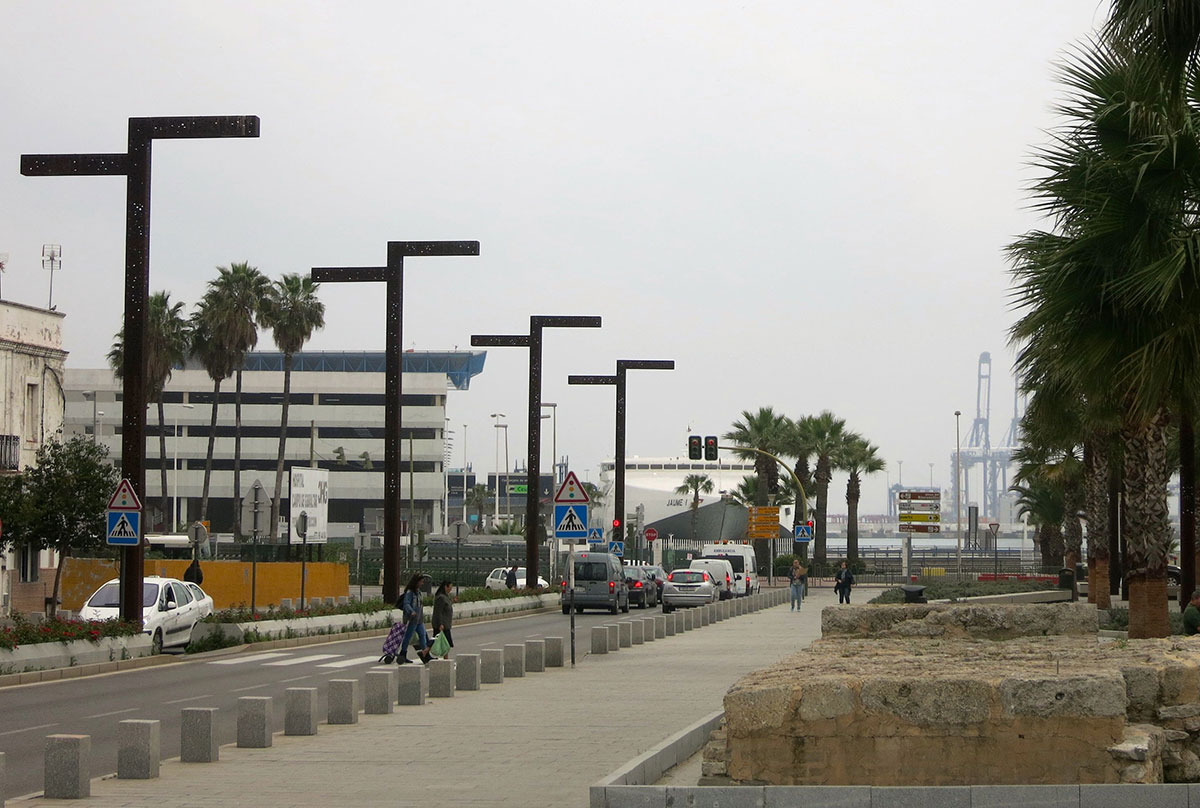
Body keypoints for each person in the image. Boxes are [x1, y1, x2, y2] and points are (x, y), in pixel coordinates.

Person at [398, 573, 432, 664]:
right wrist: (411, 611)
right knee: (408, 637)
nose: (422, 583)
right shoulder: (410, 593)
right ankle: (403, 654)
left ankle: (425, 654)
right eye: (421, 581)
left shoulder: (419, 592)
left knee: (422, 635)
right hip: (412, 619)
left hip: (419, 619)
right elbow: (406, 604)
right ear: (416, 582)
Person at [432, 580, 455, 658]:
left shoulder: (445, 596)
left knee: (442, 642)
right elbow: (439, 612)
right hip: (442, 624)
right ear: (445, 587)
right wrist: (440, 623)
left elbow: (446, 607)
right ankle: (425, 652)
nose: (451, 589)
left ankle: (425, 652)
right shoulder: (441, 598)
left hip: (445, 624)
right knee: (445, 643)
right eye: (450, 587)